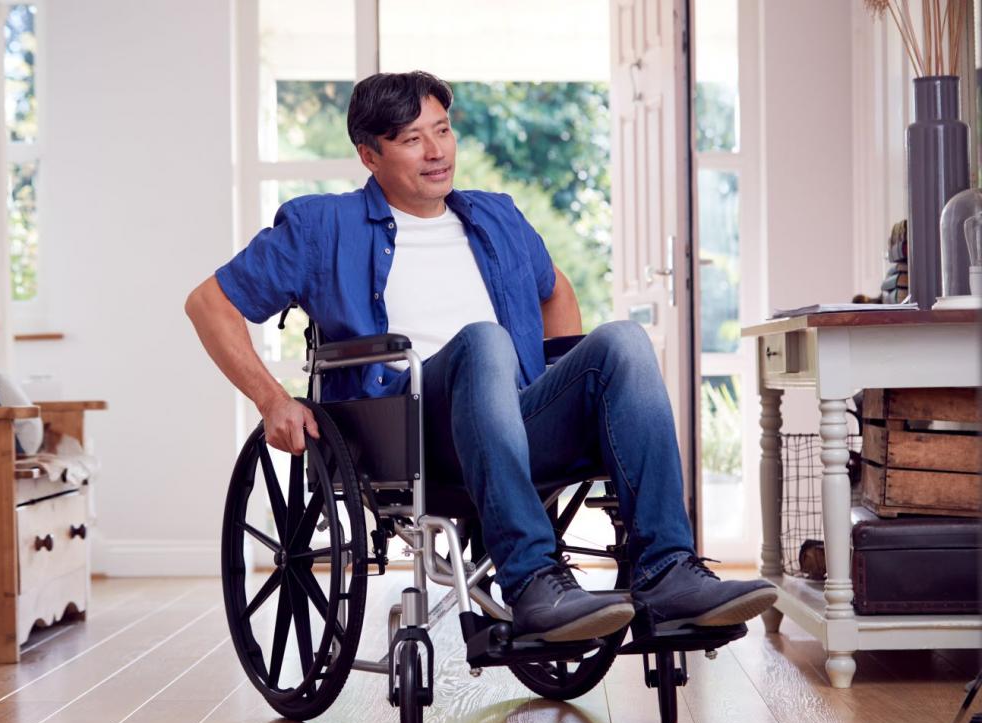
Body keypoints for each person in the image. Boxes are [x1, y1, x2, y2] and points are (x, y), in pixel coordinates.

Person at [186, 70, 777, 643]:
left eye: (442, 130)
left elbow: (557, 291)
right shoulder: (322, 226)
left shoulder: (496, 216)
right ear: (370, 156)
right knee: (484, 340)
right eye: (412, 139)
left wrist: (552, 381)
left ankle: (667, 570)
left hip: (513, 421)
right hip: (408, 434)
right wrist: (271, 398)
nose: (435, 150)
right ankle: (531, 580)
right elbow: (209, 303)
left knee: (623, 339)